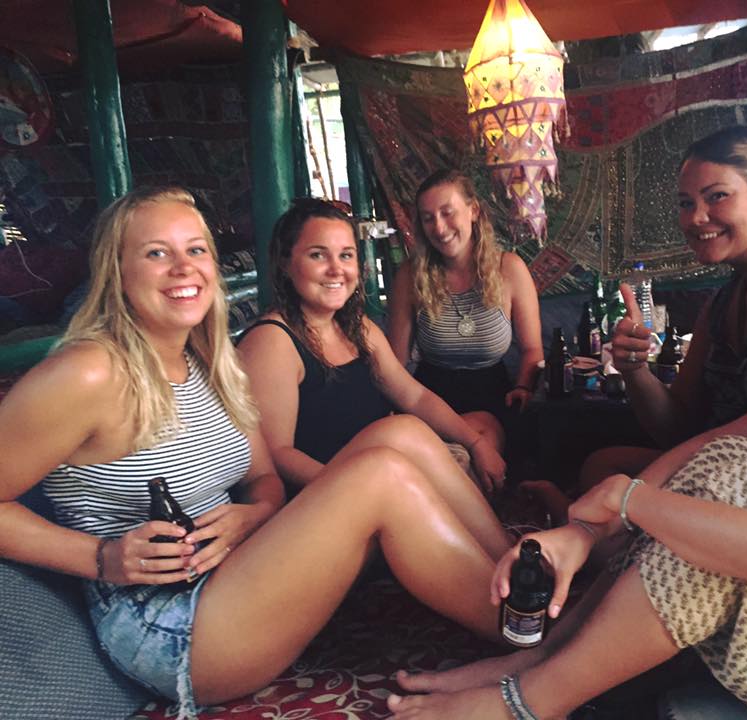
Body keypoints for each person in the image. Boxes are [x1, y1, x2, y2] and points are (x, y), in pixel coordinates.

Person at [385, 140, 747, 719]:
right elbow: (706, 437)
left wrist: (631, 501)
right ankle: (541, 661)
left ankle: (528, 702)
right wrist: (588, 527)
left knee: (727, 483)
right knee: (710, 468)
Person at [0, 187, 508, 720]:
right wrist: (99, 558)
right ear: (116, 269)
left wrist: (250, 516)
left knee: (401, 433)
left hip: (238, 570)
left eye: (196, 251)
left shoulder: (207, 363)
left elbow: (263, 479)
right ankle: (536, 637)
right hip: (173, 628)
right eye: (157, 253)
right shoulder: (90, 371)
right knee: (380, 473)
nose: (183, 269)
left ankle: (522, 577)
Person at [527, 125, 747, 519]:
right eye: (685, 203)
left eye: (717, 197)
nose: (696, 218)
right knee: (603, 465)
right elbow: (678, 428)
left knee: (604, 491)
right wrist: (635, 369)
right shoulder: (725, 300)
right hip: (723, 471)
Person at [237, 198, 511, 556]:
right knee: (403, 431)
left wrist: (476, 445)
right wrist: (372, 487)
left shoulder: (355, 329)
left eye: (346, 255)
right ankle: (505, 554)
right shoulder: (273, 339)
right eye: (318, 255)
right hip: (322, 499)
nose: (337, 269)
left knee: (482, 427)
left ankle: (481, 549)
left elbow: (414, 396)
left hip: (380, 468)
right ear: (287, 263)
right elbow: (277, 454)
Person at [387, 169, 544, 452]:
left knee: (477, 443)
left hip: (493, 396)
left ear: (473, 211)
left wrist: (523, 387)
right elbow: (394, 363)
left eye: (448, 213)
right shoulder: (409, 276)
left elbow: (533, 350)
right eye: (428, 218)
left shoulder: (509, 269)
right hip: (428, 399)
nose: (439, 227)